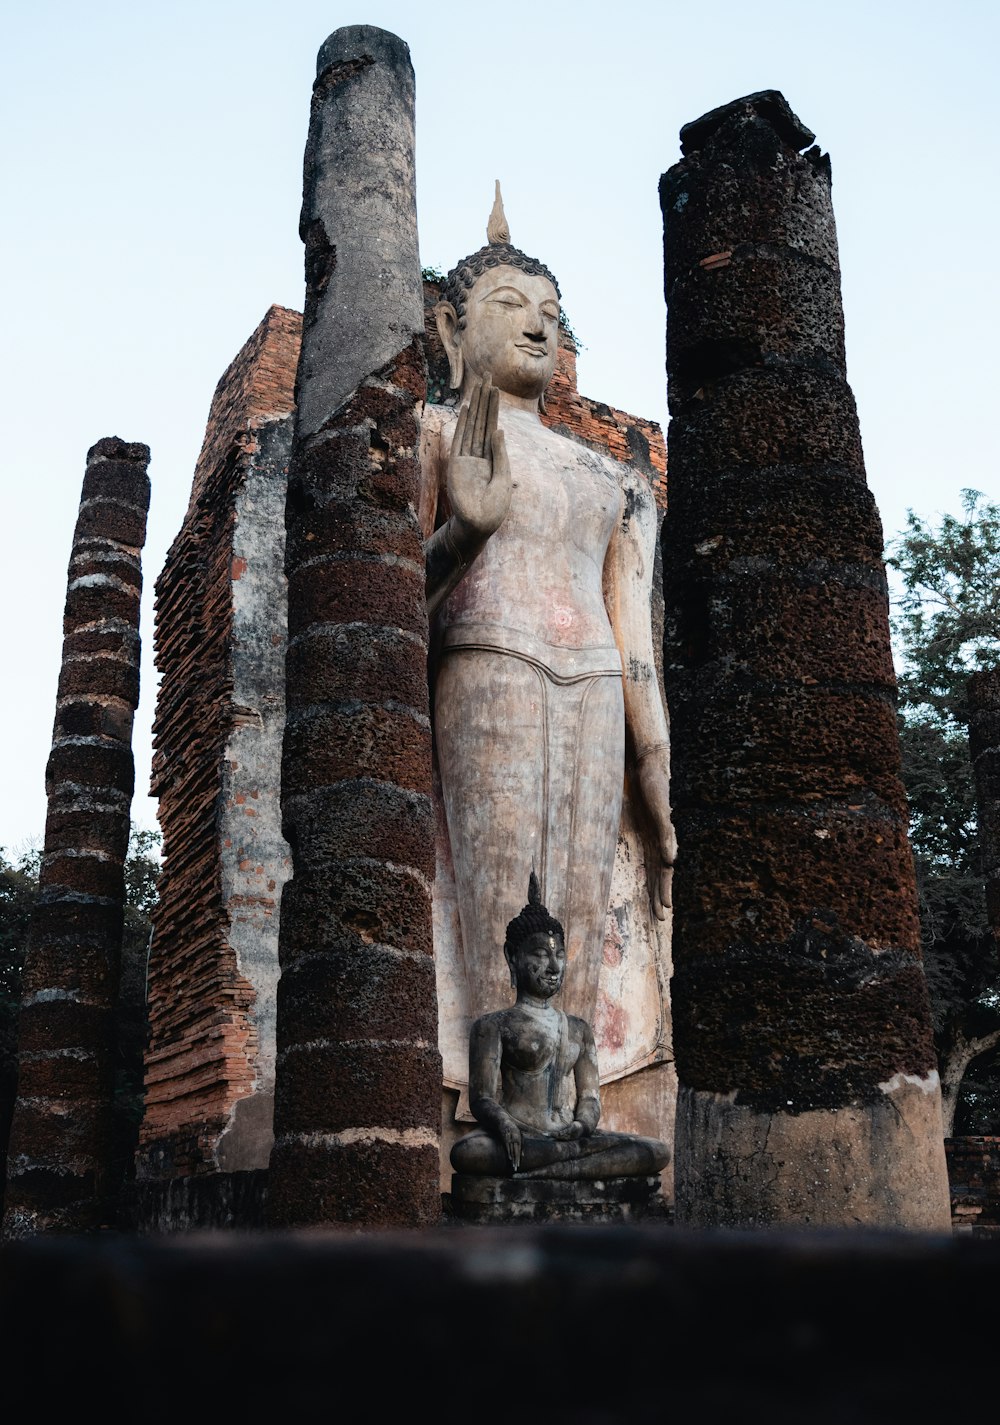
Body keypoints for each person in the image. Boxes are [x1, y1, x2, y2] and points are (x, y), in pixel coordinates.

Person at [422, 185, 676, 1052]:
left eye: (551, 314)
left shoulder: (616, 480)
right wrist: (464, 533)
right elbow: (390, 612)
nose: (537, 326)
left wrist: (655, 760)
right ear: (453, 333)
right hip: (488, 657)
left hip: (598, 681)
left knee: (576, 905)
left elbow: (636, 644)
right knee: (500, 914)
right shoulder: (434, 434)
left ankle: (579, 1097)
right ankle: (492, 1103)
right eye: (510, 306)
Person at [450, 874, 670, 1179]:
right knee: (468, 1153)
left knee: (655, 1151)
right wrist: (504, 1124)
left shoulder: (579, 1029)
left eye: (559, 954)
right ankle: (571, 1169)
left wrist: (581, 1126)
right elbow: (482, 1098)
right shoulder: (493, 1026)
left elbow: (590, 1098)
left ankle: (552, 1168)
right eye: (540, 956)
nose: (554, 967)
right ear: (512, 958)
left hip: (571, 1138)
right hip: (521, 1136)